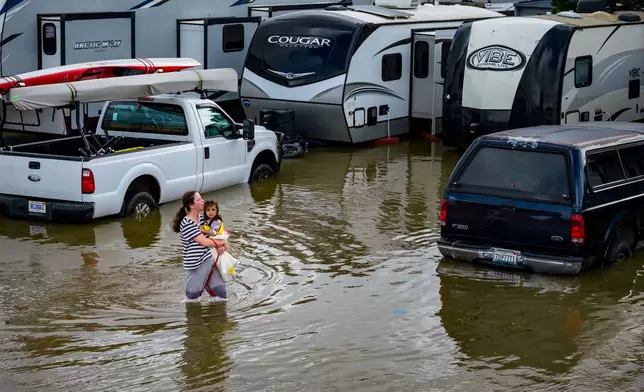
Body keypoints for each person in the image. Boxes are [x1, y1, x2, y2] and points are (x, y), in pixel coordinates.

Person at [172, 190, 227, 303]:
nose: (202, 201)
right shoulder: (187, 223)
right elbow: (204, 242)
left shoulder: (203, 219)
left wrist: (225, 244)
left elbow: (220, 234)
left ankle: (215, 319)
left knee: (221, 294)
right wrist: (221, 243)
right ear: (191, 205)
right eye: (198, 199)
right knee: (192, 299)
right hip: (195, 264)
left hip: (209, 260)